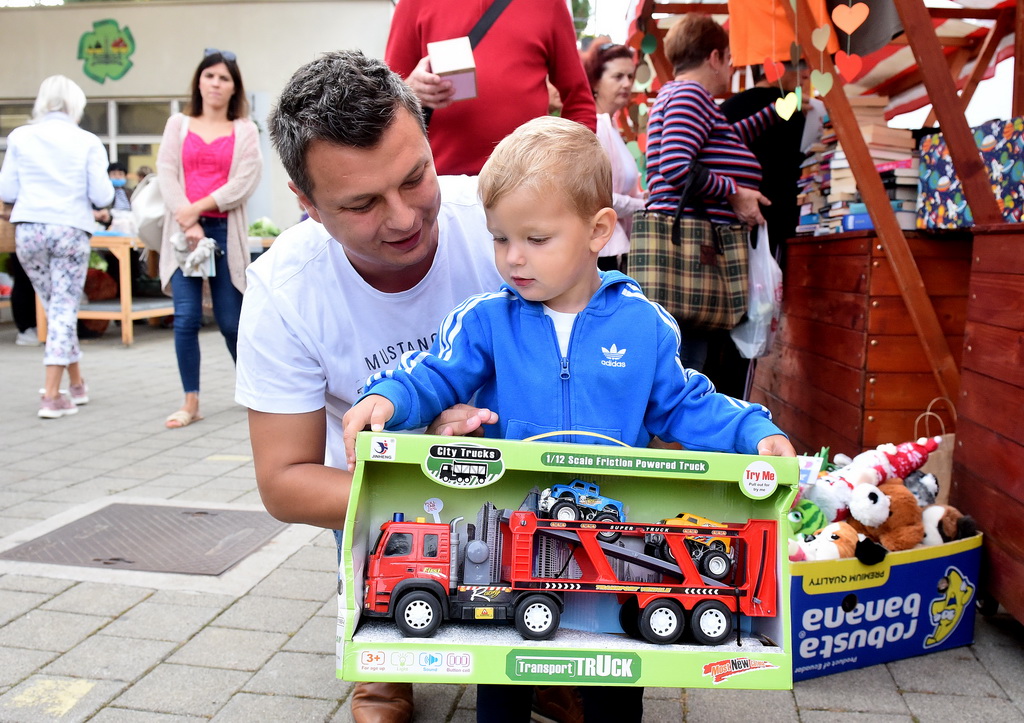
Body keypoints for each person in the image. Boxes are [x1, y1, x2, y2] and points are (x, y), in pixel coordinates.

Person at [342, 116, 797, 722]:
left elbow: (686, 402)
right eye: (500, 239)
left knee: (618, 668)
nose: (513, 259)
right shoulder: (485, 320)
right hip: (514, 541)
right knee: (500, 667)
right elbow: (435, 374)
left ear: (598, 231)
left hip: (615, 538)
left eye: (536, 238)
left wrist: (752, 431)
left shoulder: (643, 324)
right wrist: (391, 398)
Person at [234, 50, 503, 723]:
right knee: (371, 524)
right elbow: (286, 479)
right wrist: (430, 477)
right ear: (308, 205)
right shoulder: (284, 290)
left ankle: (535, 658)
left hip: (517, 461)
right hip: (377, 489)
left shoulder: (503, 222)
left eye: (415, 178)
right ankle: (383, 656)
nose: (405, 217)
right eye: (361, 203)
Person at [644, 14, 779, 374]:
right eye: (730, 57)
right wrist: (735, 194)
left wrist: (782, 110)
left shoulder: (688, 99)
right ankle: (669, 433)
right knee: (684, 364)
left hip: (691, 247)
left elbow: (726, 136)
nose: (732, 65)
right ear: (715, 57)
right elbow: (675, 164)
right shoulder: (690, 95)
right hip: (691, 248)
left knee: (684, 358)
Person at [157, 48, 262, 429]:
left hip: (223, 232)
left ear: (234, 87)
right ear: (199, 81)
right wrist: (188, 222)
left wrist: (197, 208)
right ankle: (191, 401)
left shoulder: (245, 129)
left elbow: (245, 180)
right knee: (185, 319)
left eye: (224, 78)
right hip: (184, 235)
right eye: (210, 76)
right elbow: (166, 173)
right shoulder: (178, 124)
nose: (216, 84)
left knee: (232, 321)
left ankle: (258, 394)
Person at [0, 75, 114, 418]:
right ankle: (51, 395)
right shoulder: (87, 141)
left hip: (29, 230)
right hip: (68, 229)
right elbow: (102, 196)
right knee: (64, 309)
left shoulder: (20, 136)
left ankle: (77, 385)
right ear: (75, 104)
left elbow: (6, 190)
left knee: (55, 308)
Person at [384, 0, 597, 176]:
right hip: (442, 188)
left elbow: (579, 100)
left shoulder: (549, 4)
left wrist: (571, 171)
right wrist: (411, 88)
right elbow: (385, 99)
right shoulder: (414, 3)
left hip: (529, 187)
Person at [581, 42, 646, 272]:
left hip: (612, 248)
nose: (627, 83)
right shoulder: (596, 127)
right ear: (596, 81)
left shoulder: (610, 125)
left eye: (630, 76)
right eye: (618, 76)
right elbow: (599, 197)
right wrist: (644, 205)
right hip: (602, 252)